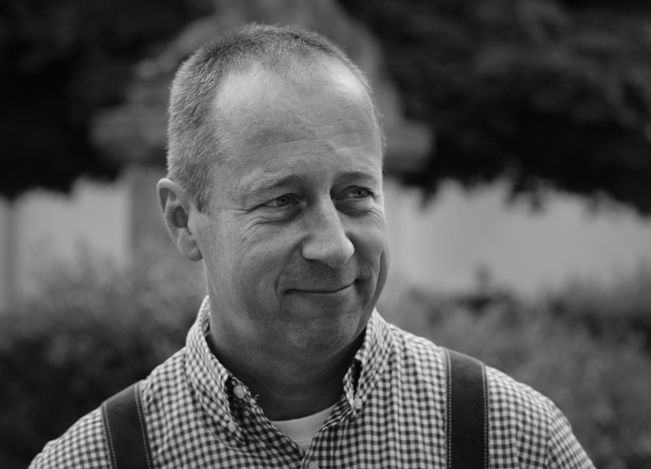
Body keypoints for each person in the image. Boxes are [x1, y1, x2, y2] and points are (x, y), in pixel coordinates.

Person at [30, 24, 595, 468]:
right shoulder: (94, 460)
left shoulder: (514, 439)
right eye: (283, 201)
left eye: (356, 194)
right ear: (183, 220)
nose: (335, 246)